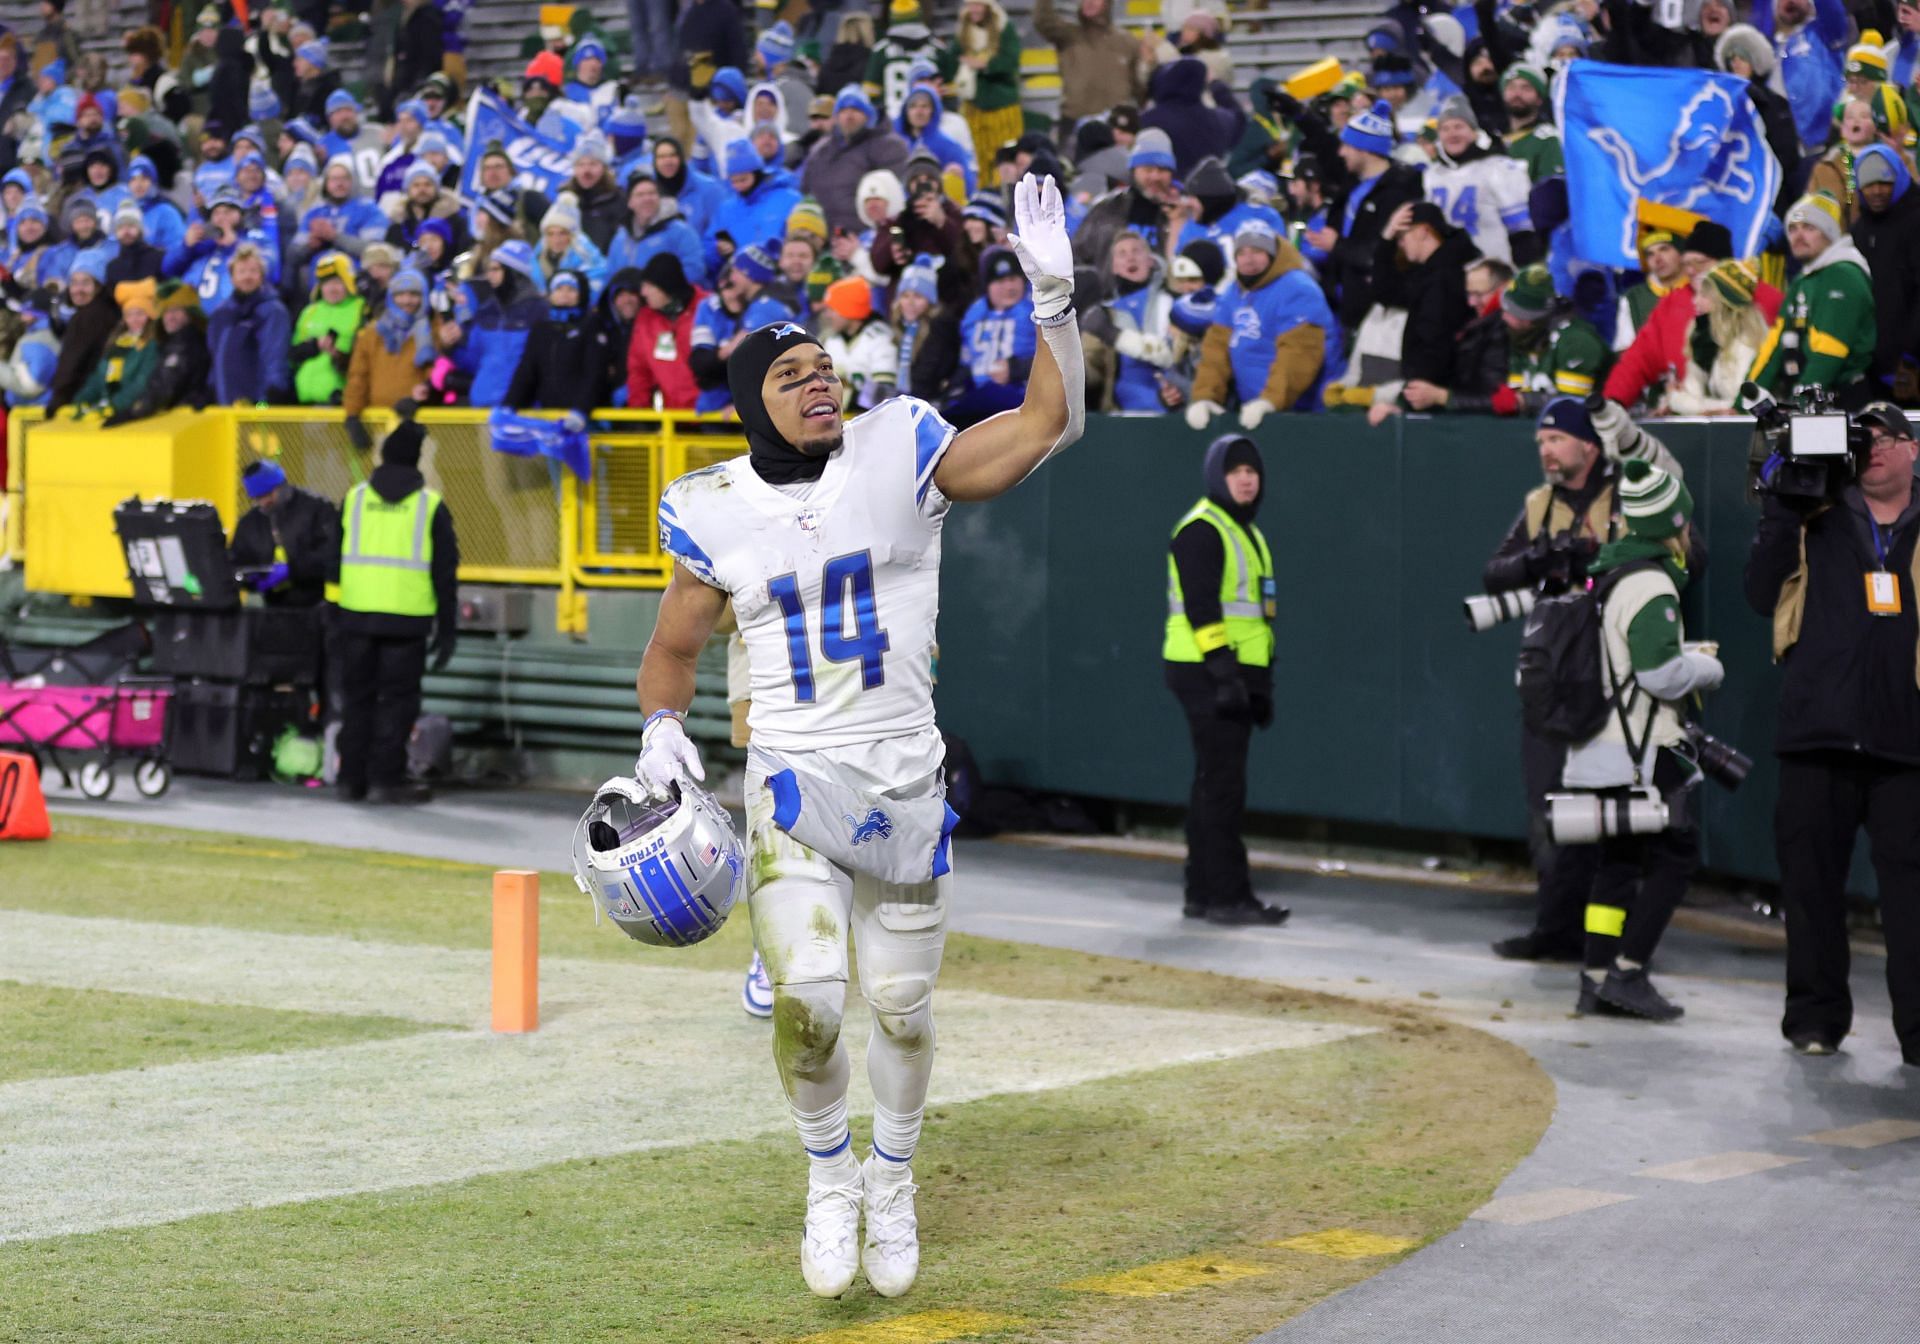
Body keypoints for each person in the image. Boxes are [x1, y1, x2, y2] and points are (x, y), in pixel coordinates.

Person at [634, 174, 1081, 1301]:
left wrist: (1056, 304)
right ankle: (830, 1178)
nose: (819, 380)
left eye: (825, 365)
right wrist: (657, 730)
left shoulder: (902, 446)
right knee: (813, 997)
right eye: (790, 375)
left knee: (902, 1006)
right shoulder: (713, 508)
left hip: (906, 774)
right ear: (752, 401)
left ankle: (895, 1176)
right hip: (792, 774)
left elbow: (1043, 425)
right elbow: (676, 649)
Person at [1745, 401, 1920, 1060]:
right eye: (1859, 438)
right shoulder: (1810, 512)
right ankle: (1815, 1020)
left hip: (1908, 738)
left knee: (1913, 896)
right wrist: (1779, 509)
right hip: (1819, 731)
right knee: (1811, 889)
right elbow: (1761, 596)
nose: (1871, 447)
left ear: (1913, 449)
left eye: (1885, 437)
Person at [1481, 397, 1684, 963]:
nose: (1545, 450)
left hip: (1613, 677)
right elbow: (1494, 573)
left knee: (1611, 812)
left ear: (1588, 445)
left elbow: (1684, 553)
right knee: (1548, 807)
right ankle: (1555, 929)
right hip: (1554, 677)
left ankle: (1606, 940)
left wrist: (1595, 556)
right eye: (1541, 441)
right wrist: (1538, 559)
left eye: (1555, 440)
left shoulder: (1627, 494)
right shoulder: (1539, 503)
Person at [1564, 458, 1723, 1021]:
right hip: (1647, 747)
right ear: (1671, 525)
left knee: (1618, 861)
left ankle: (1594, 975)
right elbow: (1658, 677)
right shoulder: (1653, 584)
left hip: (1604, 743)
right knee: (1676, 857)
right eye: (1685, 524)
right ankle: (1629, 971)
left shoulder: (1608, 573)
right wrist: (1705, 668)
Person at [1163, 431, 1286, 926]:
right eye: (1236, 471)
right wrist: (1225, 675)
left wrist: (1259, 685)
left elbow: (1255, 615)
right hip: (1207, 673)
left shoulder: (1246, 532)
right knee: (1223, 789)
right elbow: (1201, 608)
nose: (1246, 479)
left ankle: (1202, 892)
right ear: (1218, 476)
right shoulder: (1203, 528)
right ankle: (1227, 897)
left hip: (1231, 674)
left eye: (1252, 471)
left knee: (1212, 785)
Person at [334, 415, 459, 805]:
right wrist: (447, 627)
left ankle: (350, 779)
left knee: (357, 700)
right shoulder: (430, 506)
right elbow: (445, 573)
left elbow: (331, 560)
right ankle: (385, 780)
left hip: (355, 617)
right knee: (397, 702)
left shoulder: (354, 499)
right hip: (407, 621)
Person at [1184, 219, 1334, 431]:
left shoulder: (1297, 288)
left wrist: (1271, 400)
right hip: (1254, 412)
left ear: (1272, 255)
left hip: (1305, 414)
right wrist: (1205, 396)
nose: (1248, 259)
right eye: (1241, 252)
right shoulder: (1233, 293)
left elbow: (1299, 353)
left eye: (1257, 251)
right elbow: (1216, 350)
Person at [1749, 194, 1875, 409]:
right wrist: (1745, 402)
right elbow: (1774, 346)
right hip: (1809, 396)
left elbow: (1829, 352)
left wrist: (1800, 407)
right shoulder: (1803, 280)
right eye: (1792, 229)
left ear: (1829, 233)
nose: (1798, 236)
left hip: (1843, 399)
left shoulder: (1843, 274)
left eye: (1809, 227)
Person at [1319, 99, 1423, 338]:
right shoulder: (1353, 185)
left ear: (1363, 148)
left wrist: (1336, 246)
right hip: (1344, 300)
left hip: (1375, 310)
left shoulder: (1399, 192)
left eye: (1346, 145)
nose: (1341, 152)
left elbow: (1383, 253)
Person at [229, 458, 341, 610]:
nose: (264, 502)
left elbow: (331, 555)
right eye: (257, 498)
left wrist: (292, 570)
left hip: (317, 606)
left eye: (268, 494)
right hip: (271, 608)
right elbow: (235, 561)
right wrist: (249, 580)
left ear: (282, 486)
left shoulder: (317, 510)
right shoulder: (250, 523)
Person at [800, 85, 909, 236]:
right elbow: (804, 190)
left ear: (868, 115)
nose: (849, 115)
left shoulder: (888, 146)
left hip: (869, 236)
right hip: (824, 237)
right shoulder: (820, 150)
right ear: (836, 117)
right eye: (843, 110)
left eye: (856, 110)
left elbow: (895, 195)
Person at [1666, 260, 1769, 416]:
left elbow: (1742, 406)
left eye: (1704, 295)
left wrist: (1678, 400)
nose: (1695, 301)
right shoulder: (1705, 339)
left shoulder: (1746, 344)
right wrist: (1676, 400)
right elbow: (1692, 392)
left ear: (1725, 304)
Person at [505, 269, 611, 413]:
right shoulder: (541, 328)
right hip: (548, 414)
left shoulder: (592, 325)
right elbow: (526, 370)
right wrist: (509, 405)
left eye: (571, 289)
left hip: (584, 417)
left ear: (581, 294)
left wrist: (582, 410)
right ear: (550, 294)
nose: (564, 294)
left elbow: (595, 374)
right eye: (559, 289)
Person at [1030, 0, 1143, 130]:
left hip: (1115, 125)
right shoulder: (1068, 34)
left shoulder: (1127, 42)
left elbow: (1138, 86)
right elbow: (1043, 20)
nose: (1088, 2)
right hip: (1074, 122)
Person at [208, 244, 292, 405]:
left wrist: (272, 392)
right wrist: (211, 386)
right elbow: (215, 355)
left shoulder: (272, 310)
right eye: (242, 271)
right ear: (232, 277)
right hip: (225, 402)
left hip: (259, 403)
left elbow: (275, 354)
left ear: (261, 276)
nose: (247, 276)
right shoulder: (221, 314)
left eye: (253, 271)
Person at [344, 268, 433, 418]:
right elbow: (358, 375)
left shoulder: (433, 330)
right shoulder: (373, 334)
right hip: (378, 418)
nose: (407, 301)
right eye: (400, 295)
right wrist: (352, 413)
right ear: (391, 298)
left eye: (413, 295)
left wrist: (424, 396)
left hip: (420, 419)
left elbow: (436, 374)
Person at [627, 252, 707, 410]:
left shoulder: (707, 309)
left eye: (649, 286)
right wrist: (639, 412)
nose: (643, 292)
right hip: (671, 419)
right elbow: (639, 371)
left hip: (714, 418)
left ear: (666, 286)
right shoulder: (646, 319)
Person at [290, 253, 365, 405]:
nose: (332, 288)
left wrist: (338, 354)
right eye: (326, 283)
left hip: (339, 399)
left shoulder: (361, 309)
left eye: (337, 282)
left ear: (348, 282)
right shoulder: (309, 311)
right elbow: (293, 354)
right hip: (304, 398)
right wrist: (314, 346)